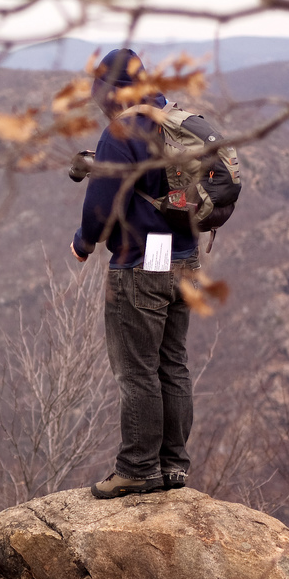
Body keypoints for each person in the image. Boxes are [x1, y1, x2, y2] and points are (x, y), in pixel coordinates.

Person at [69, 49, 201, 499]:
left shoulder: (121, 131)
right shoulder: (174, 120)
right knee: (173, 365)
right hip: (185, 262)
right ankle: (173, 467)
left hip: (141, 265)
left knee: (137, 371)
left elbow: (102, 207)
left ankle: (138, 468)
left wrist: (83, 242)